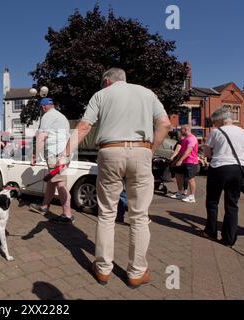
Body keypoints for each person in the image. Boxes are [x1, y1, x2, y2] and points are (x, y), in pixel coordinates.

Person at [59, 68, 171, 287]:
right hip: (141, 150)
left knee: (107, 213)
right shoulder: (147, 93)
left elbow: (83, 127)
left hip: (110, 151)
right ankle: (136, 272)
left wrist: (65, 154)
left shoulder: (101, 95)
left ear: (107, 81)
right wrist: (152, 150)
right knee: (139, 216)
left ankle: (102, 269)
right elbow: (165, 124)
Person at [201, 108, 244, 247]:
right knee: (232, 204)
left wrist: (212, 150)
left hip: (220, 167)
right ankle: (229, 239)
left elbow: (208, 153)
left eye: (215, 122)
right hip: (238, 169)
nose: (214, 125)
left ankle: (211, 231)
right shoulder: (243, 132)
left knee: (212, 201)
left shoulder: (216, 132)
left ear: (220, 120)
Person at [29, 98, 73, 224]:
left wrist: (34, 156)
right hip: (64, 153)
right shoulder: (61, 116)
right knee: (51, 181)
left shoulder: (47, 116)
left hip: (56, 154)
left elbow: (42, 137)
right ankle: (44, 207)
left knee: (60, 183)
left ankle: (67, 215)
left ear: (43, 108)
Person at [171, 125, 199, 203]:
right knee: (178, 174)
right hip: (184, 161)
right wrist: (176, 160)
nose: (180, 131)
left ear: (186, 129)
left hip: (191, 161)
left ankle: (192, 197)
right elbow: (181, 151)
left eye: (181, 130)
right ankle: (180, 192)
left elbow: (188, 150)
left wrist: (180, 160)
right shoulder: (185, 139)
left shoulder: (192, 138)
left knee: (190, 179)